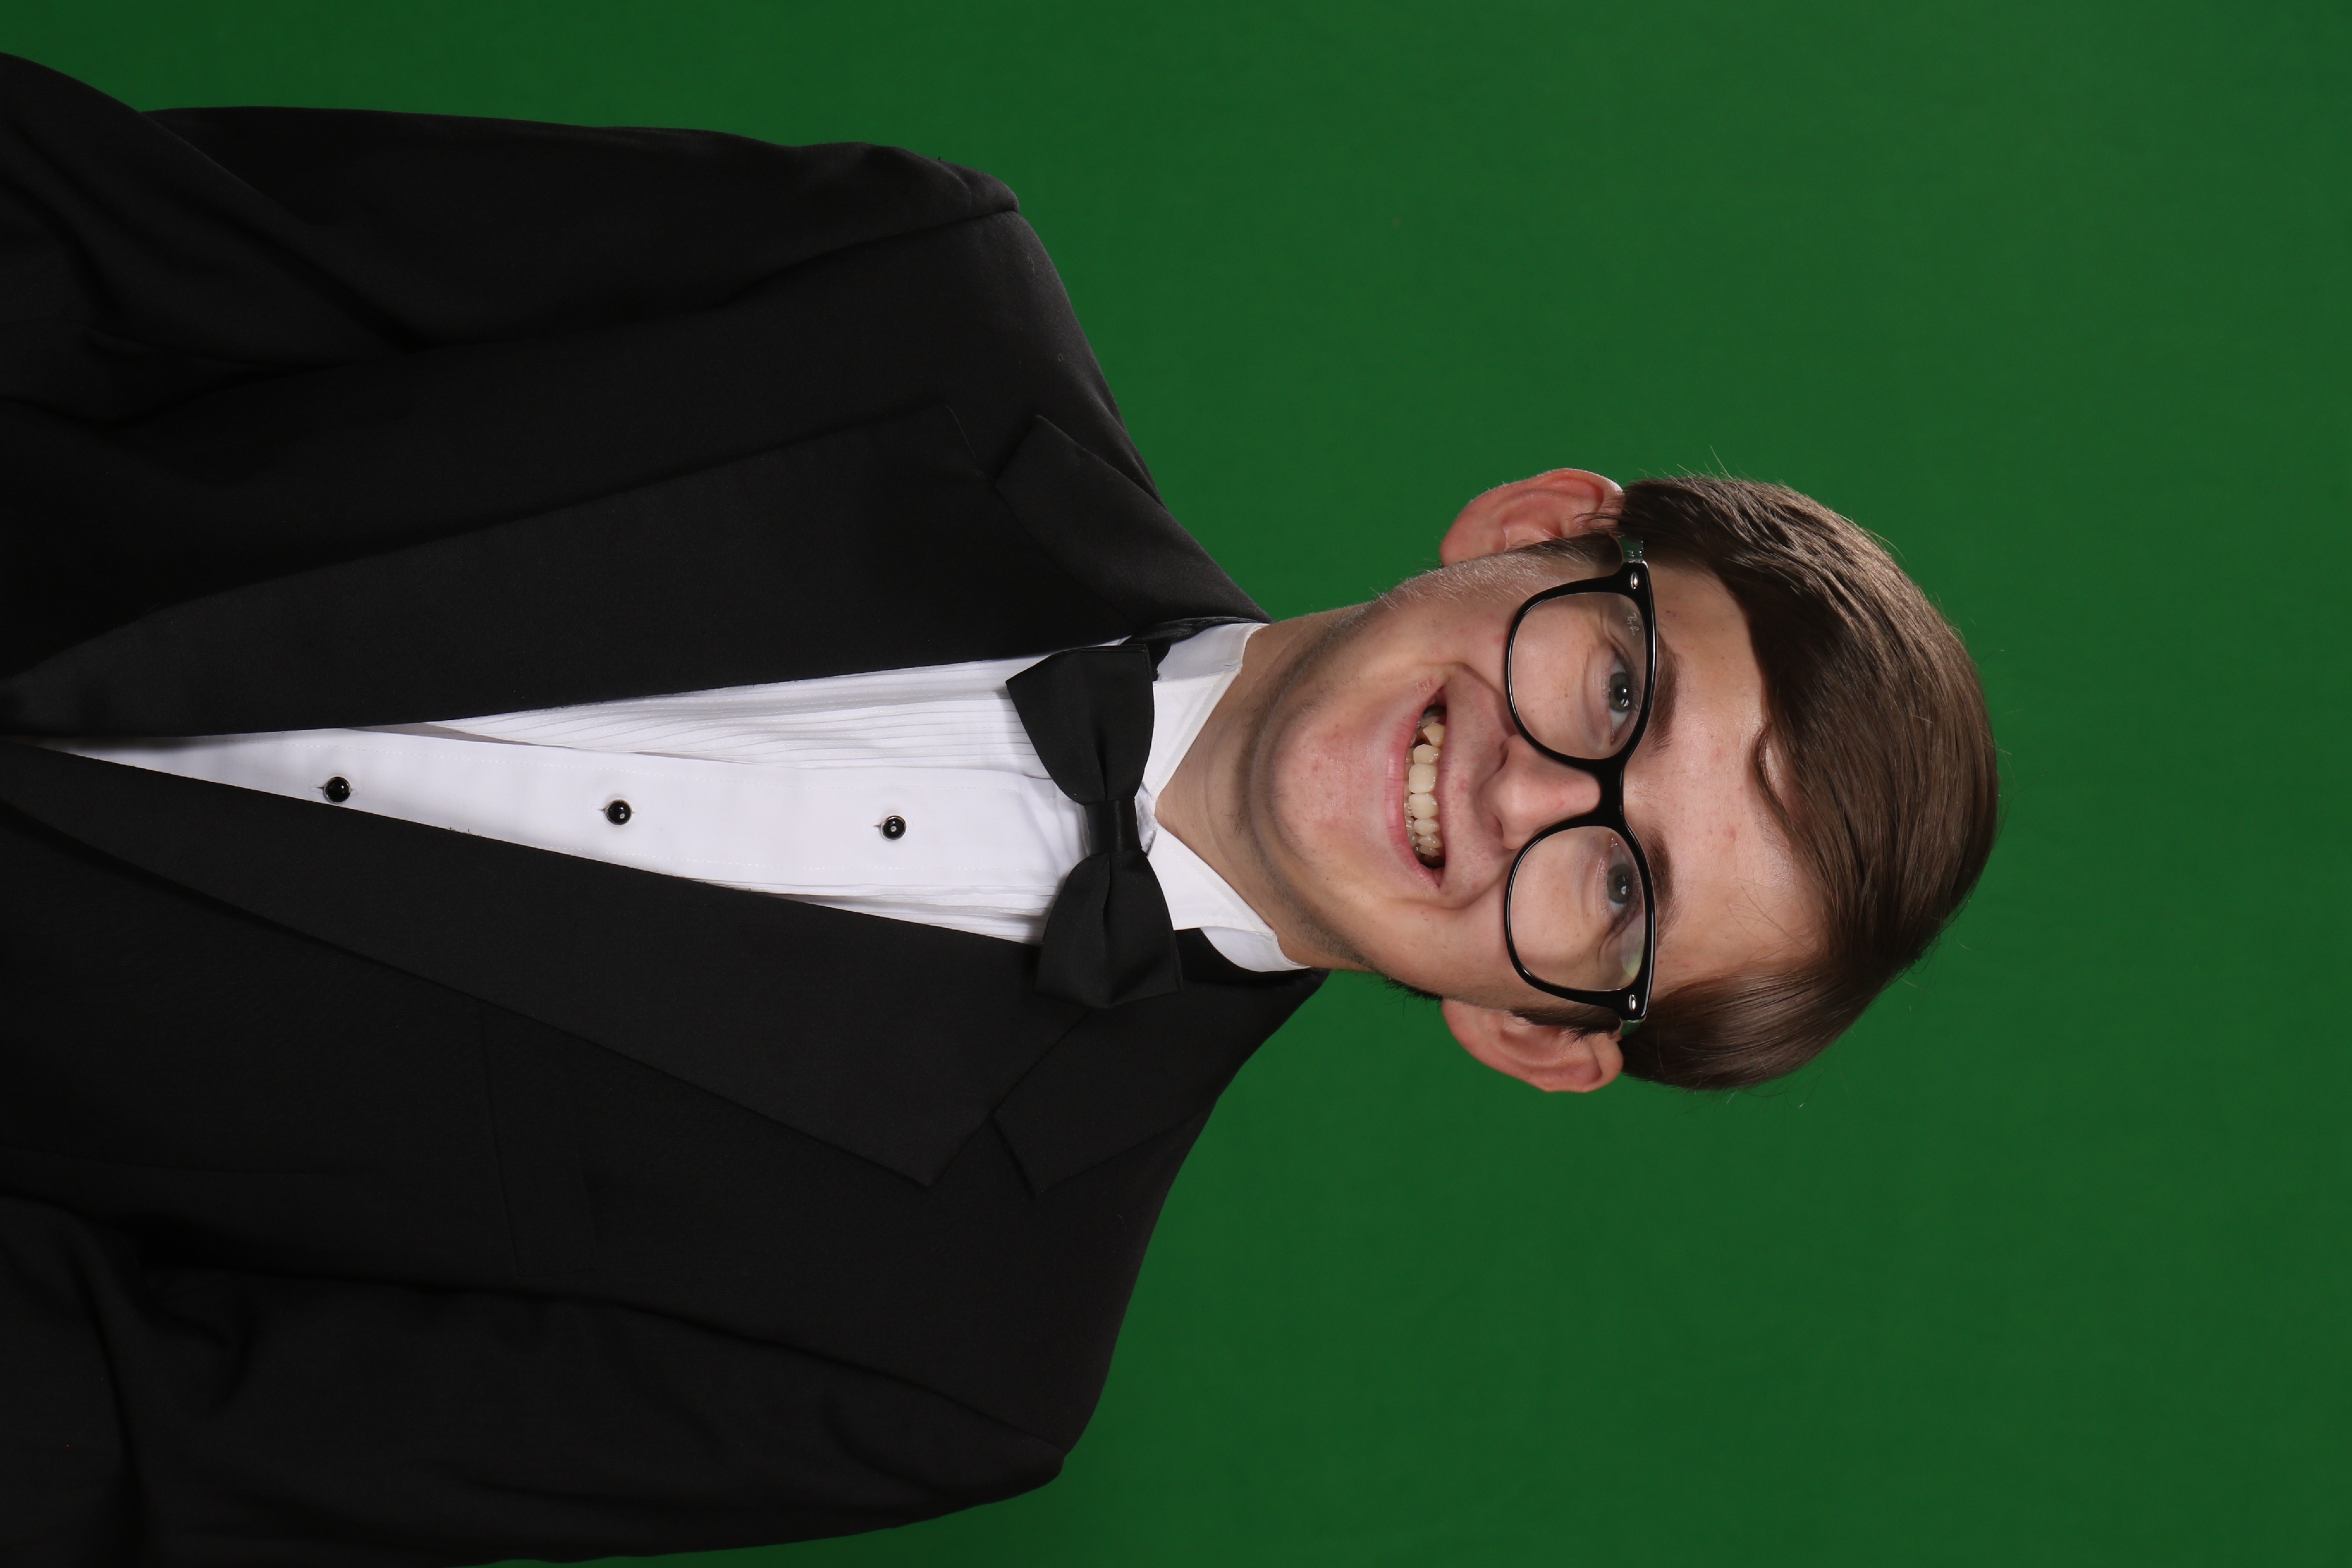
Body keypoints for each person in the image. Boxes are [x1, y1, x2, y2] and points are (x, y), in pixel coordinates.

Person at [0, 54, 1999, 1568]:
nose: (1522, 787)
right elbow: (107, 232)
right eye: (1618, 693)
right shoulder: (901, 291)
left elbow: (124, 1434)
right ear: (1538, 530)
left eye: (1622, 892)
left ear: (1536, 1031)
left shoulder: (946, 1370)